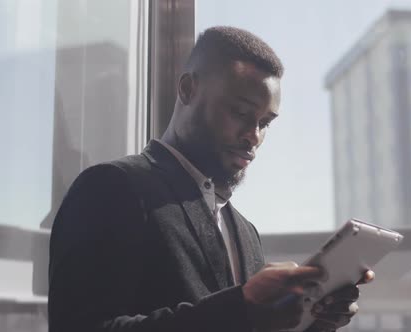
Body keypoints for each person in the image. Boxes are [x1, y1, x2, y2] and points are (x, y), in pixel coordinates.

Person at [48, 26, 373, 332]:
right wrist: (242, 307)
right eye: (241, 113)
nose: (254, 136)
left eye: (265, 123)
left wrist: (309, 321)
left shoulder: (245, 231)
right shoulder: (111, 187)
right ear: (188, 89)